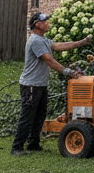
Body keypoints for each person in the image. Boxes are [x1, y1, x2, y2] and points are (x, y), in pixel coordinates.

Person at [12, 13, 90, 156]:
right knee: (27, 116)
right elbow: (49, 60)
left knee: (39, 115)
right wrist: (68, 72)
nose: (47, 23)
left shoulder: (43, 40)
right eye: (44, 21)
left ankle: (33, 144)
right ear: (37, 24)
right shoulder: (35, 41)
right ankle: (16, 147)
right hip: (31, 85)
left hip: (40, 85)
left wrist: (81, 42)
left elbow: (59, 46)